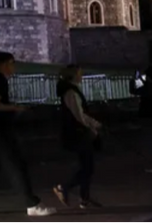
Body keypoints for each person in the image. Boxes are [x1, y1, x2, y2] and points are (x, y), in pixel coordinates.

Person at [0, 52, 55, 217]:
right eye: (12, 63)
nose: (14, 66)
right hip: (0, 131)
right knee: (16, 165)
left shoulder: (1, 81)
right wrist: (16, 108)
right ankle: (32, 204)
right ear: (5, 65)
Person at [53, 65, 103, 209]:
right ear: (73, 75)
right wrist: (92, 126)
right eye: (80, 73)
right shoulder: (71, 92)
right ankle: (65, 187)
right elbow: (79, 116)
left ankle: (84, 198)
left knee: (86, 165)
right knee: (88, 166)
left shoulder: (70, 91)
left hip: (76, 132)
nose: (82, 76)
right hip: (78, 133)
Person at [129, 66, 152, 172]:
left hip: (147, 117)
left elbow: (133, 90)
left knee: (149, 141)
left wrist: (133, 79)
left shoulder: (145, 88)